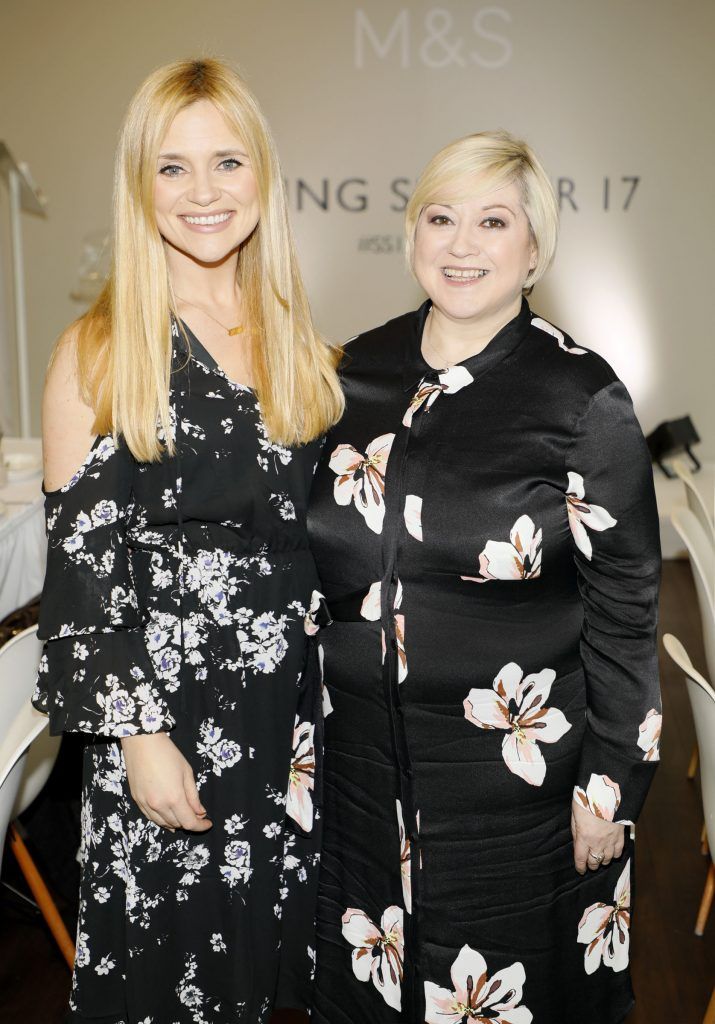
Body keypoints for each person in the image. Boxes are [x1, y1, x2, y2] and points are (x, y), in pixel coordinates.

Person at [306, 130, 661, 1024]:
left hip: (515, 788)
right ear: (411, 232)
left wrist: (609, 785)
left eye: (492, 222)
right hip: (357, 777)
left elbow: (624, 606)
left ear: (533, 248)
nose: (461, 244)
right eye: (440, 217)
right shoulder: (350, 373)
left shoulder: (581, 397)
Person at [33, 58, 342, 1024]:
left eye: (225, 162)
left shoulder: (294, 335)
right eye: (172, 168)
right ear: (139, 185)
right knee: (172, 984)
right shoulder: (100, 348)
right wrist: (138, 737)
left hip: (293, 720)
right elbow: (82, 569)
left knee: (274, 975)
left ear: (262, 176)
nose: (203, 193)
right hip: (171, 722)